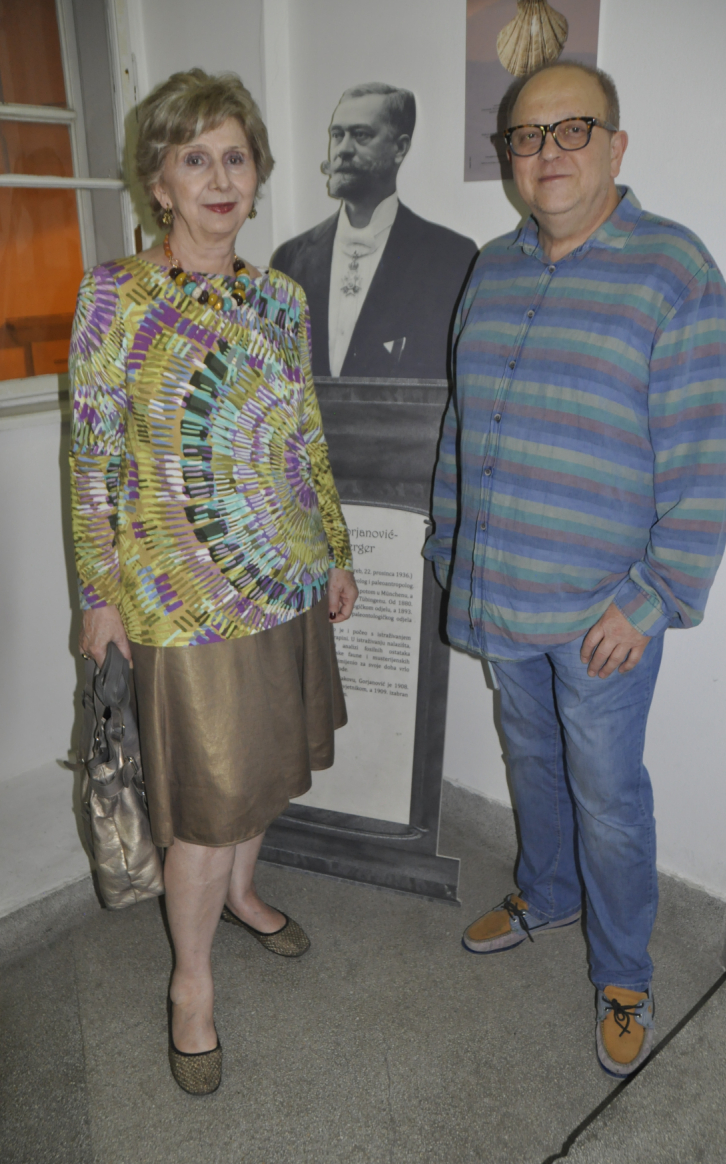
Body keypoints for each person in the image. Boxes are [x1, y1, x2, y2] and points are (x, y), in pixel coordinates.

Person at [423, 61, 726, 1078]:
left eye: (571, 130)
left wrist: (651, 602)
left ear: (614, 146)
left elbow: (706, 454)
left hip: (602, 614)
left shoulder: (673, 270)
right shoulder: (491, 268)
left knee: (607, 796)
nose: (546, 152)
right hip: (499, 590)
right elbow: (461, 425)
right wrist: (448, 544)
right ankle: (548, 894)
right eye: (526, 136)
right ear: (508, 158)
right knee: (528, 761)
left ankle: (623, 974)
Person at [69, 69, 358, 1095]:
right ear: (159, 182)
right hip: (178, 605)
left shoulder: (279, 298)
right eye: (195, 159)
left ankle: (242, 892)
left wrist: (333, 551)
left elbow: (301, 434)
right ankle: (189, 984)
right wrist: (98, 595)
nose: (220, 178)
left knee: (262, 772)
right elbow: (91, 459)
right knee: (201, 806)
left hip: (281, 580)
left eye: (235, 157)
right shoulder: (113, 295)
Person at [272, 82, 477, 379]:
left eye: (361, 135)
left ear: (400, 148)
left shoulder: (451, 258)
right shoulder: (289, 260)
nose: (343, 150)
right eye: (337, 135)